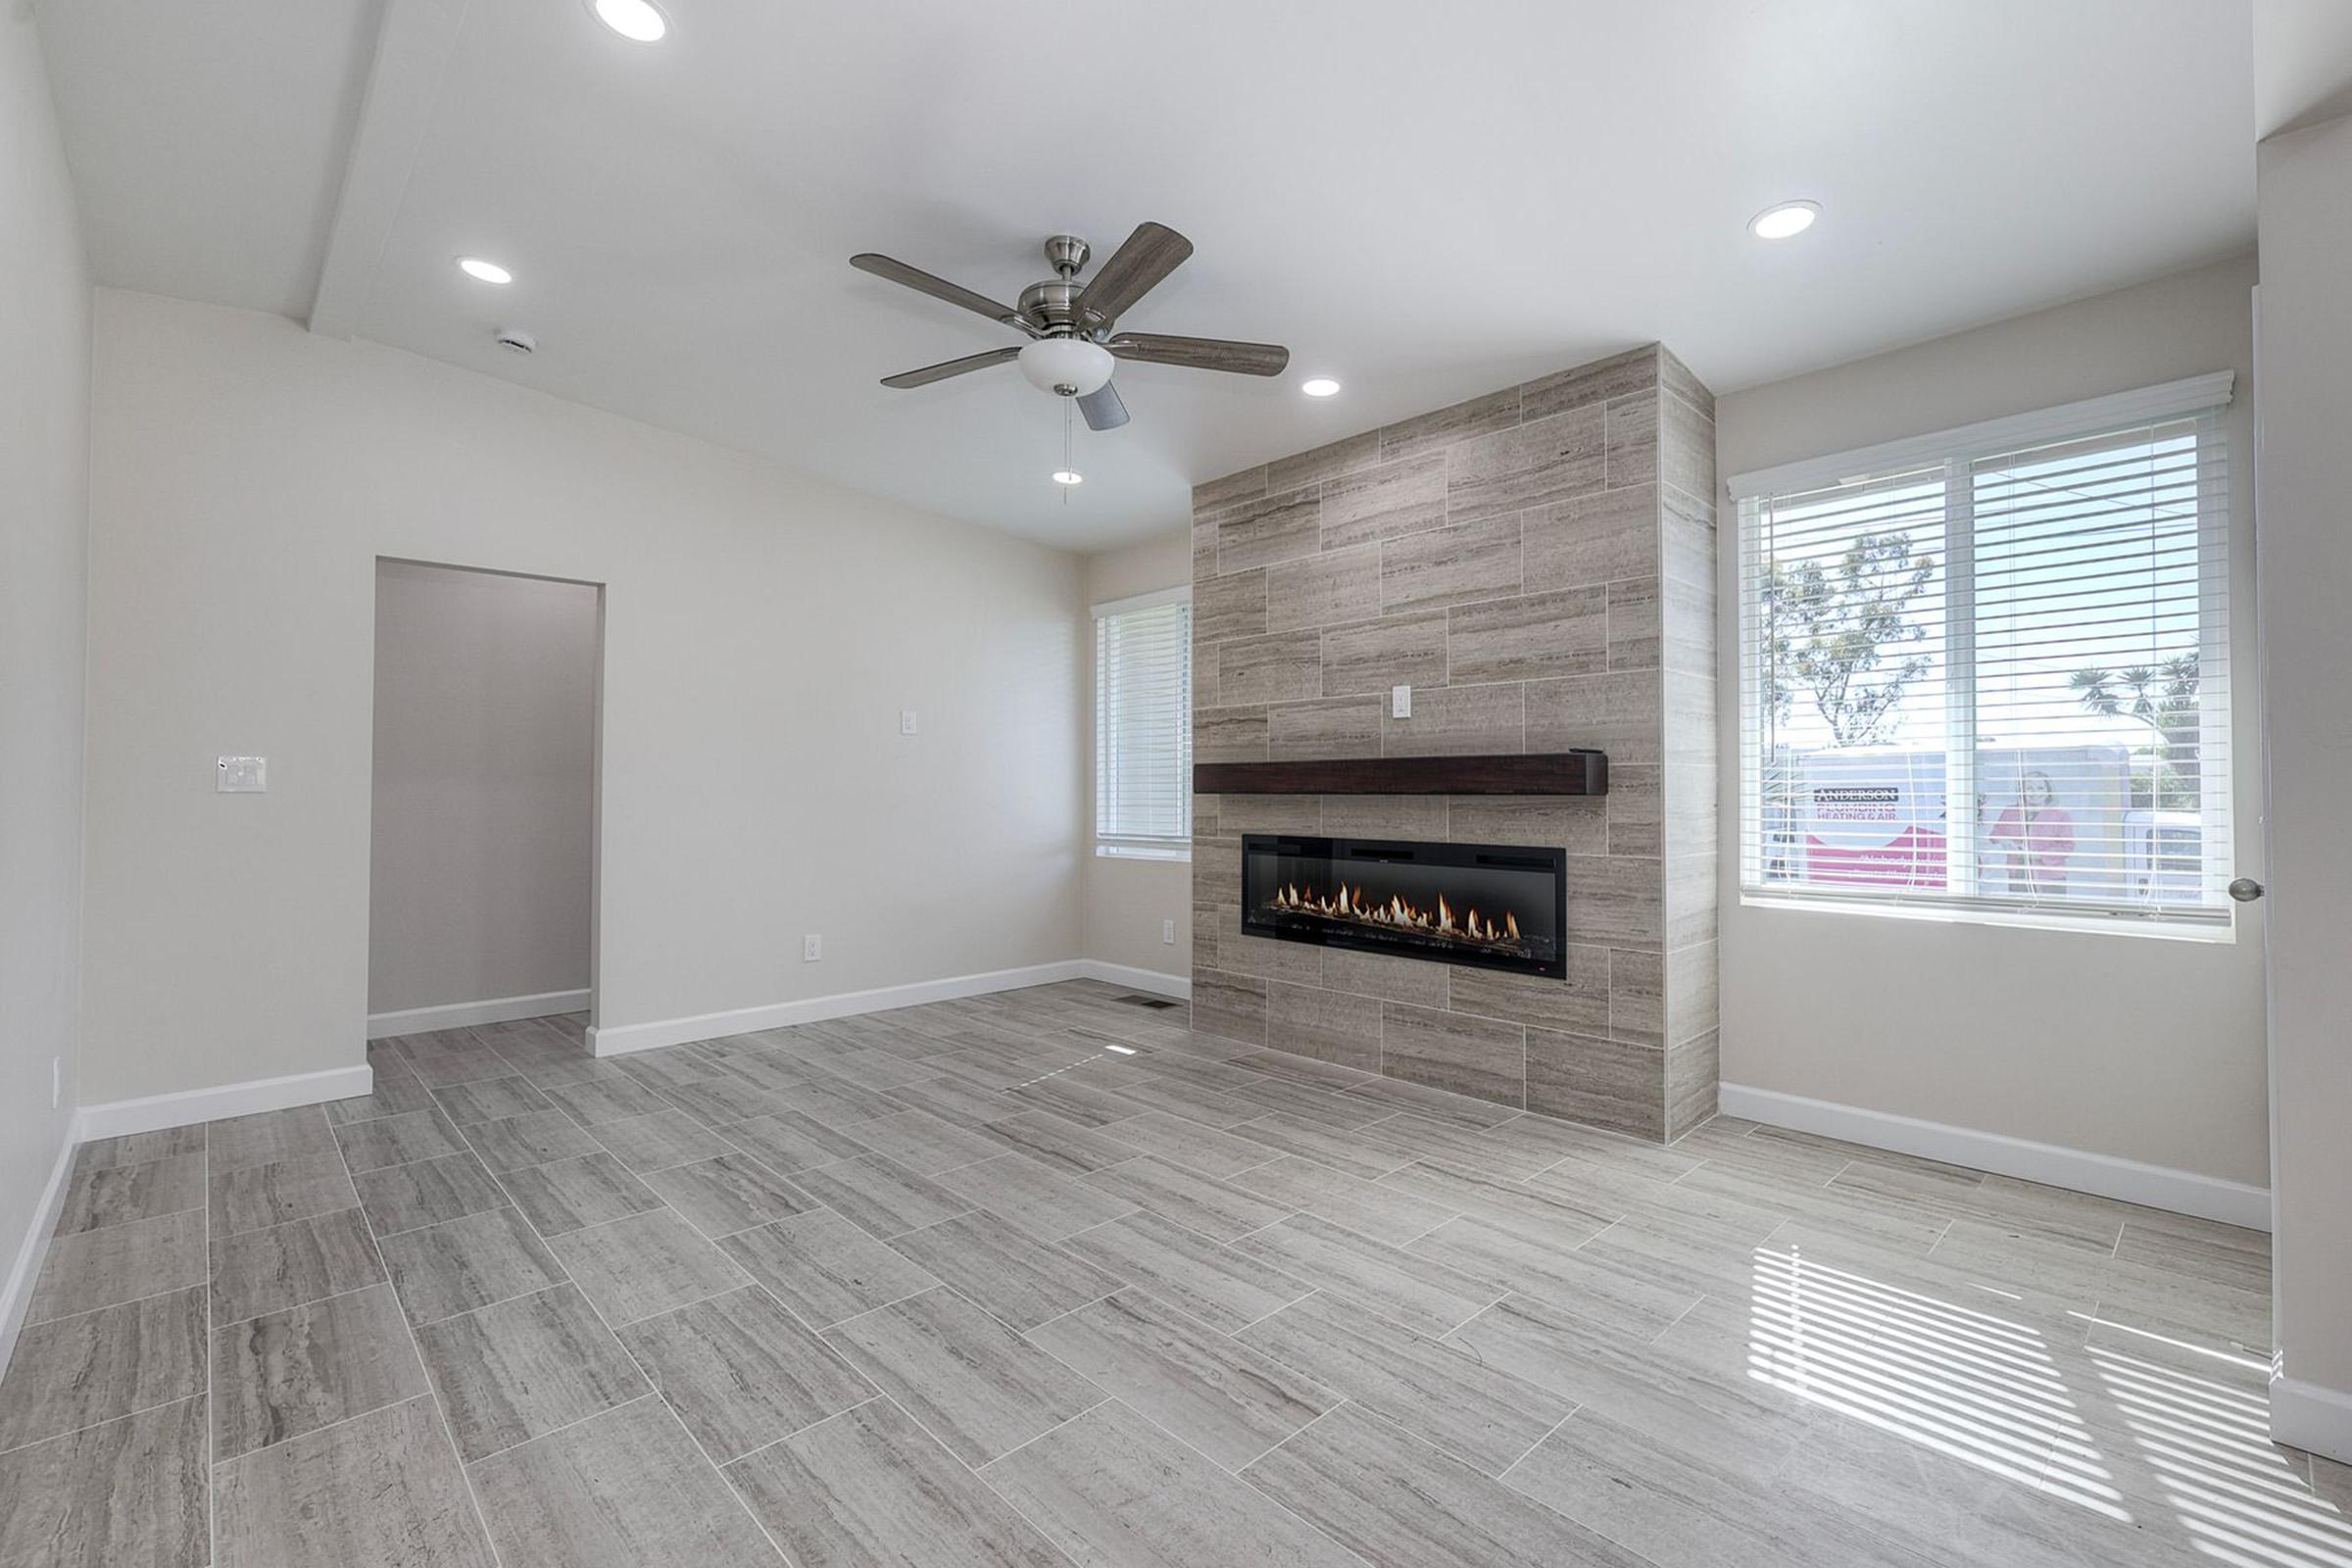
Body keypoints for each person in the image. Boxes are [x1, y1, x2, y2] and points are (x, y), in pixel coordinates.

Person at [1988, 769, 2076, 897]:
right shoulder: (2010, 812)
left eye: (2040, 788)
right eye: (2029, 788)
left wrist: (2039, 855)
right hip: (2018, 874)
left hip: (2049, 877)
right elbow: (1995, 834)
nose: (2035, 793)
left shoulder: (2060, 815)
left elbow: (2067, 847)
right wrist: (2005, 842)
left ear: (2048, 792)